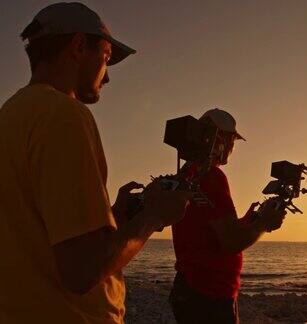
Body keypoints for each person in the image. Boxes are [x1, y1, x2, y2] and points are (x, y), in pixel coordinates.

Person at [0, 3, 194, 323]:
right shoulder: (63, 115)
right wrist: (152, 217)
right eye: (105, 57)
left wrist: (114, 217)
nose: (108, 77)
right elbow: (81, 271)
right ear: (78, 46)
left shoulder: (11, 116)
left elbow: (34, 233)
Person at [169, 108, 287, 324]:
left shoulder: (187, 173)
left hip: (188, 288)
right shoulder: (212, 177)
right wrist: (264, 223)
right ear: (220, 140)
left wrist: (250, 220)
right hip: (209, 294)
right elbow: (232, 242)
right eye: (232, 141)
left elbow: (212, 230)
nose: (232, 149)